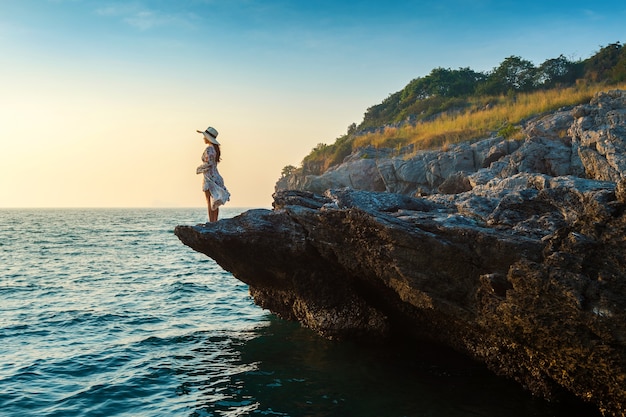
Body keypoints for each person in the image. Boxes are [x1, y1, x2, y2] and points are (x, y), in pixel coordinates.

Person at [196, 126, 230, 222]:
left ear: (208, 137)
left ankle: (211, 222)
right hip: (216, 176)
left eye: (204, 136)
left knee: (209, 201)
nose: (203, 138)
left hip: (209, 177)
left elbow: (209, 164)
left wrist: (199, 168)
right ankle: (215, 221)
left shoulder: (209, 149)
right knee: (215, 201)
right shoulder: (215, 149)